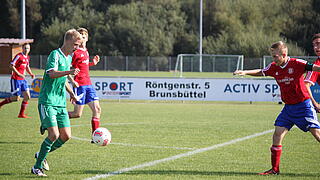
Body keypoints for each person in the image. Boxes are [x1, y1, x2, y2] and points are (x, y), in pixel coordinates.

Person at [233, 41, 320, 175]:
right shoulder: (274, 67)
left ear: (283, 54)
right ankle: (275, 169)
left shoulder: (297, 63)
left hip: (304, 106)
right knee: (277, 135)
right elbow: (261, 72)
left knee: (317, 135)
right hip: (288, 109)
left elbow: (315, 68)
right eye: (272, 56)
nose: (273, 59)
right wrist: (245, 72)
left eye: (275, 56)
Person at [31, 29, 82, 176]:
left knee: (66, 136)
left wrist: (71, 92)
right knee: (53, 135)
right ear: (67, 41)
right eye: (75, 44)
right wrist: (69, 72)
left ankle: (41, 153)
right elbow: (52, 74)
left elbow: (63, 79)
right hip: (47, 101)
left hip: (60, 103)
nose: (76, 48)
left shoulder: (68, 58)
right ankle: (37, 167)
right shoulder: (55, 55)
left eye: (78, 45)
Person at [68, 27, 101, 138]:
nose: (82, 36)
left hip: (89, 85)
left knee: (97, 109)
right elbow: (66, 69)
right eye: (80, 35)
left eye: (84, 35)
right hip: (80, 85)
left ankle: (95, 136)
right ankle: (54, 119)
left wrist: (93, 63)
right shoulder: (75, 53)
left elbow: (84, 66)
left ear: (87, 38)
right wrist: (72, 81)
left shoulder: (86, 51)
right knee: (77, 114)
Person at [0, 43, 35, 118]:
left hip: (23, 80)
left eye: (28, 48)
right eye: (25, 48)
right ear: (22, 48)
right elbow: (11, 65)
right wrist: (19, 74)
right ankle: (0, 104)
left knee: (27, 96)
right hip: (16, 79)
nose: (26, 50)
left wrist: (31, 73)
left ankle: (21, 114)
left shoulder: (27, 57)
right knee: (16, 98)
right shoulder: (19, 56)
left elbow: (27, 67)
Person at [305, 33, 320, 111]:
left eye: (318, 44)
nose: (315, 47)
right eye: (314, 45)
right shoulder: (315, 66)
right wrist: (315, 104)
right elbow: (306, 85)